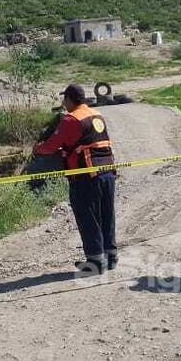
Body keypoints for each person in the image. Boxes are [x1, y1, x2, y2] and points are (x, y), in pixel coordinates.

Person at [33, 84, 117, 275]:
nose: (63, 102)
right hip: (107, 172)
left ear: (70, 99)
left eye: (65, 99)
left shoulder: (71, 120)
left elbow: (51, 146)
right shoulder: (96, 115)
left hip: (85, 176)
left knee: (88, 218)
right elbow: (86, 142)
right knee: (107, 215)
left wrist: (38, 149)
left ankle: (95, 262)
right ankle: (111, 257)